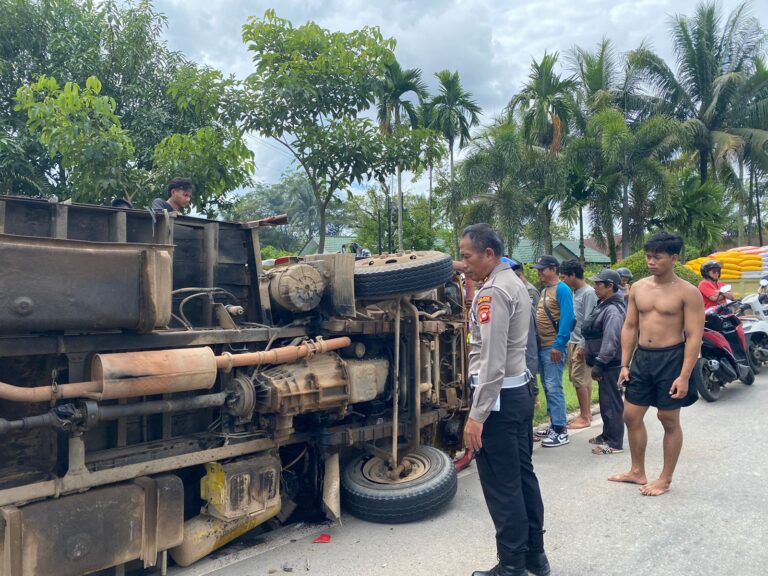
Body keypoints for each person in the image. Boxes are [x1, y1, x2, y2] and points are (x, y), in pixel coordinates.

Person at [460, 224, 549, 576]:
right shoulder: (514, 283)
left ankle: (512, 565)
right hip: (517, 392)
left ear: (488, 253)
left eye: (467, 256)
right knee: (523, 477)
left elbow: (492, 361)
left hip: (498, 399)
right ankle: (535, 557)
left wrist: (477, 416)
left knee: (502, 484)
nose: (464, 263)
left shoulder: (493, 292)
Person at [609, 232, 704, 496]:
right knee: (630, 415)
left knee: (668, 419)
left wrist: (684, 376)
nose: (651, 262)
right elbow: (630, 327)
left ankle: (665, 478)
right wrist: (624, 364)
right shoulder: (638, 288)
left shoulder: (688, 292)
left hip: (671, 358)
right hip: (643, 358)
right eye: (648, 256)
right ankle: (637, 471)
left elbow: (694, 336)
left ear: (673, 258)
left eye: (657, 257)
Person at [582, 269, 627, 455]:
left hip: (610, 364)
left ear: (610, 286)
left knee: (612, 403)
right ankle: (607, 434)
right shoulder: (603, 304)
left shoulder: (613, 310)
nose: (595, 287)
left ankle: (615, 443)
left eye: (598, 284)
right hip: (603, 362)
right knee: (605, 400)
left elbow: (611, 339)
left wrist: (600, 363)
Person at [533, 255, 575, 448]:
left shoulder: (562, 289)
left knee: (553, 387)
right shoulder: (545, 290)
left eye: (542, 269)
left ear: (553, 269)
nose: (539, 273)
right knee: (548, 386)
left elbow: (567, 318)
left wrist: (559, 344)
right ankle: (554, 424)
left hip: (553, 347)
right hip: (544, 346)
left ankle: (560, 429)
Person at [559, 259, 598, 430]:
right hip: (573, 340)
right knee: (581, 379)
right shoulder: (574, 293)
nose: (563, 280)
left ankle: (584, 416)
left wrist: (582, 345)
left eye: (564, 277)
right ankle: (586, 413)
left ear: (573, 275)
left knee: (579, 379)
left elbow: (590, 320)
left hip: (581, 342)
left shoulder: (588, 293)